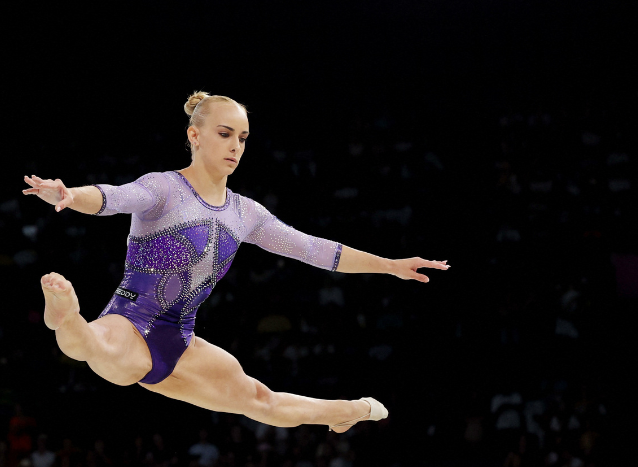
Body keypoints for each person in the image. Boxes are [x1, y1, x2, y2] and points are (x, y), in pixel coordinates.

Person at [23, 90, 448, 431]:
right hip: (131, 320)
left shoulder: (246, 215)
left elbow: (315, 249)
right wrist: (69, 195)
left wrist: (389, 264)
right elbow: (115, 197)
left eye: (242, 138)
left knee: (259, 400)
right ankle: (65, 311)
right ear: (195, 136)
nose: (235, 146)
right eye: (225, 134)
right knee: (96, 348)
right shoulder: (163, 189)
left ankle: (346, 411)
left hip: (181, 339)